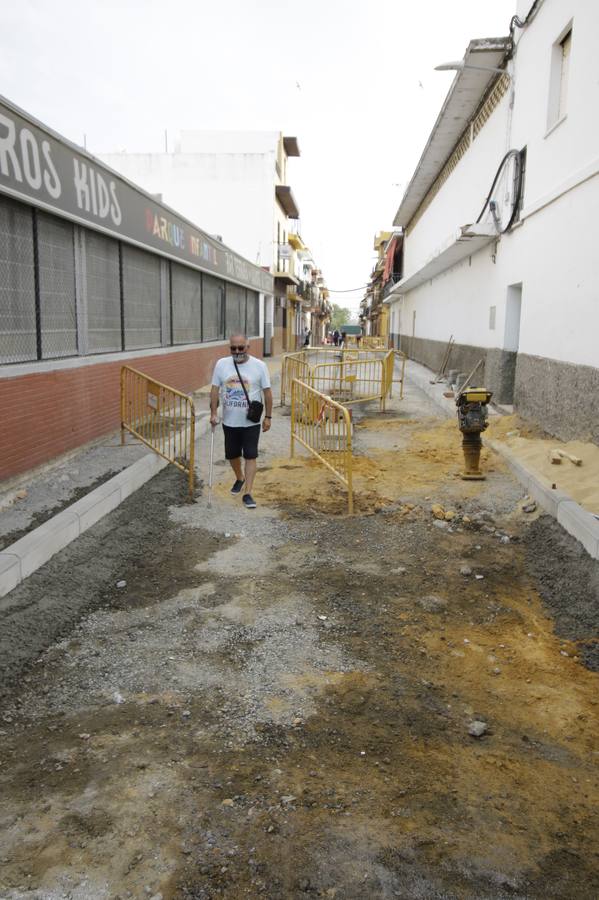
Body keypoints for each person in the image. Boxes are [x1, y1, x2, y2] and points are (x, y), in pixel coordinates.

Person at [210, 334, 273, 509]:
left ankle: (248, 492)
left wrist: (268, 417)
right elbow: (215, 389)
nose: (237, 351)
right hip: (229, 421)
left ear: (248, 347)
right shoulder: (221, 364)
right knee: (232, 455)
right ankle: (239, 477)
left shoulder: (260, 366)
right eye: (233, 348)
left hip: (250, 422)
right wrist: (213, 412)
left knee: (250, 455)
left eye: (241, 348)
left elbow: (267, 393)